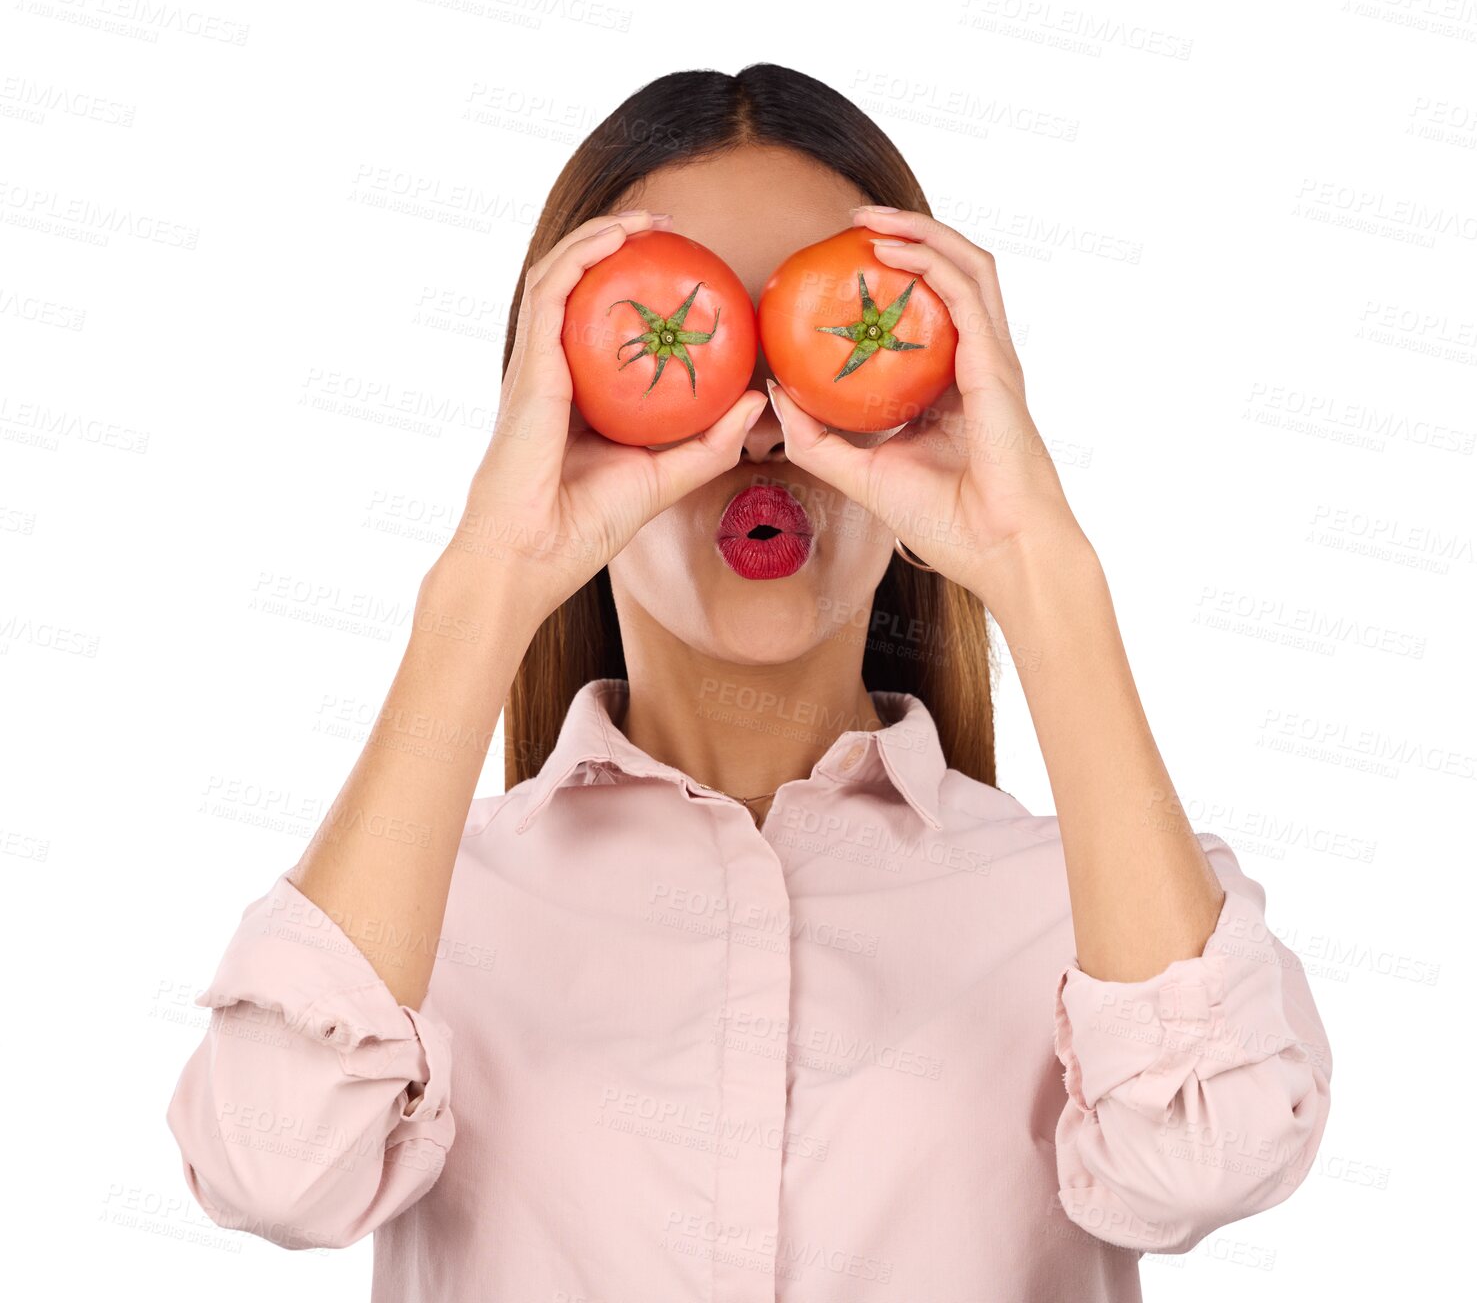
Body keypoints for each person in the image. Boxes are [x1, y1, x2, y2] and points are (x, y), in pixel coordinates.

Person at [166, 64, 1332, 1301]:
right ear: (553, 402)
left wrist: (1042, 573)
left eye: (833, 335)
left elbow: (1213, 1157)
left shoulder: (1090, 921)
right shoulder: (414, 922)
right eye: (674, 336)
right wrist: (484, 585)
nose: (765, 428)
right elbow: (270, 1171)